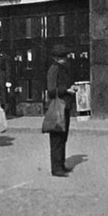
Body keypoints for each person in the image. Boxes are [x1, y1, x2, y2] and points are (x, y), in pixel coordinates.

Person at [44, 44, 77, 177]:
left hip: (64, 106)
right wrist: (66, 90)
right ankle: (56, 168)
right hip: (57, 107)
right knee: (57, 138)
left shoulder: (62, 69)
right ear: (57, 58)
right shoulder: (54, 69)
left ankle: (61, 164)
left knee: (63, 137)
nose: (65, 59)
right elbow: (51, 90)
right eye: (63, 57)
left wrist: (71, 88)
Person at [0, 40, 14, 115]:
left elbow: (8, 69)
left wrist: (8, 80)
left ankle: (4, 110)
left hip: (1, 76)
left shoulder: (4, 56)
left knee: (3, 93)